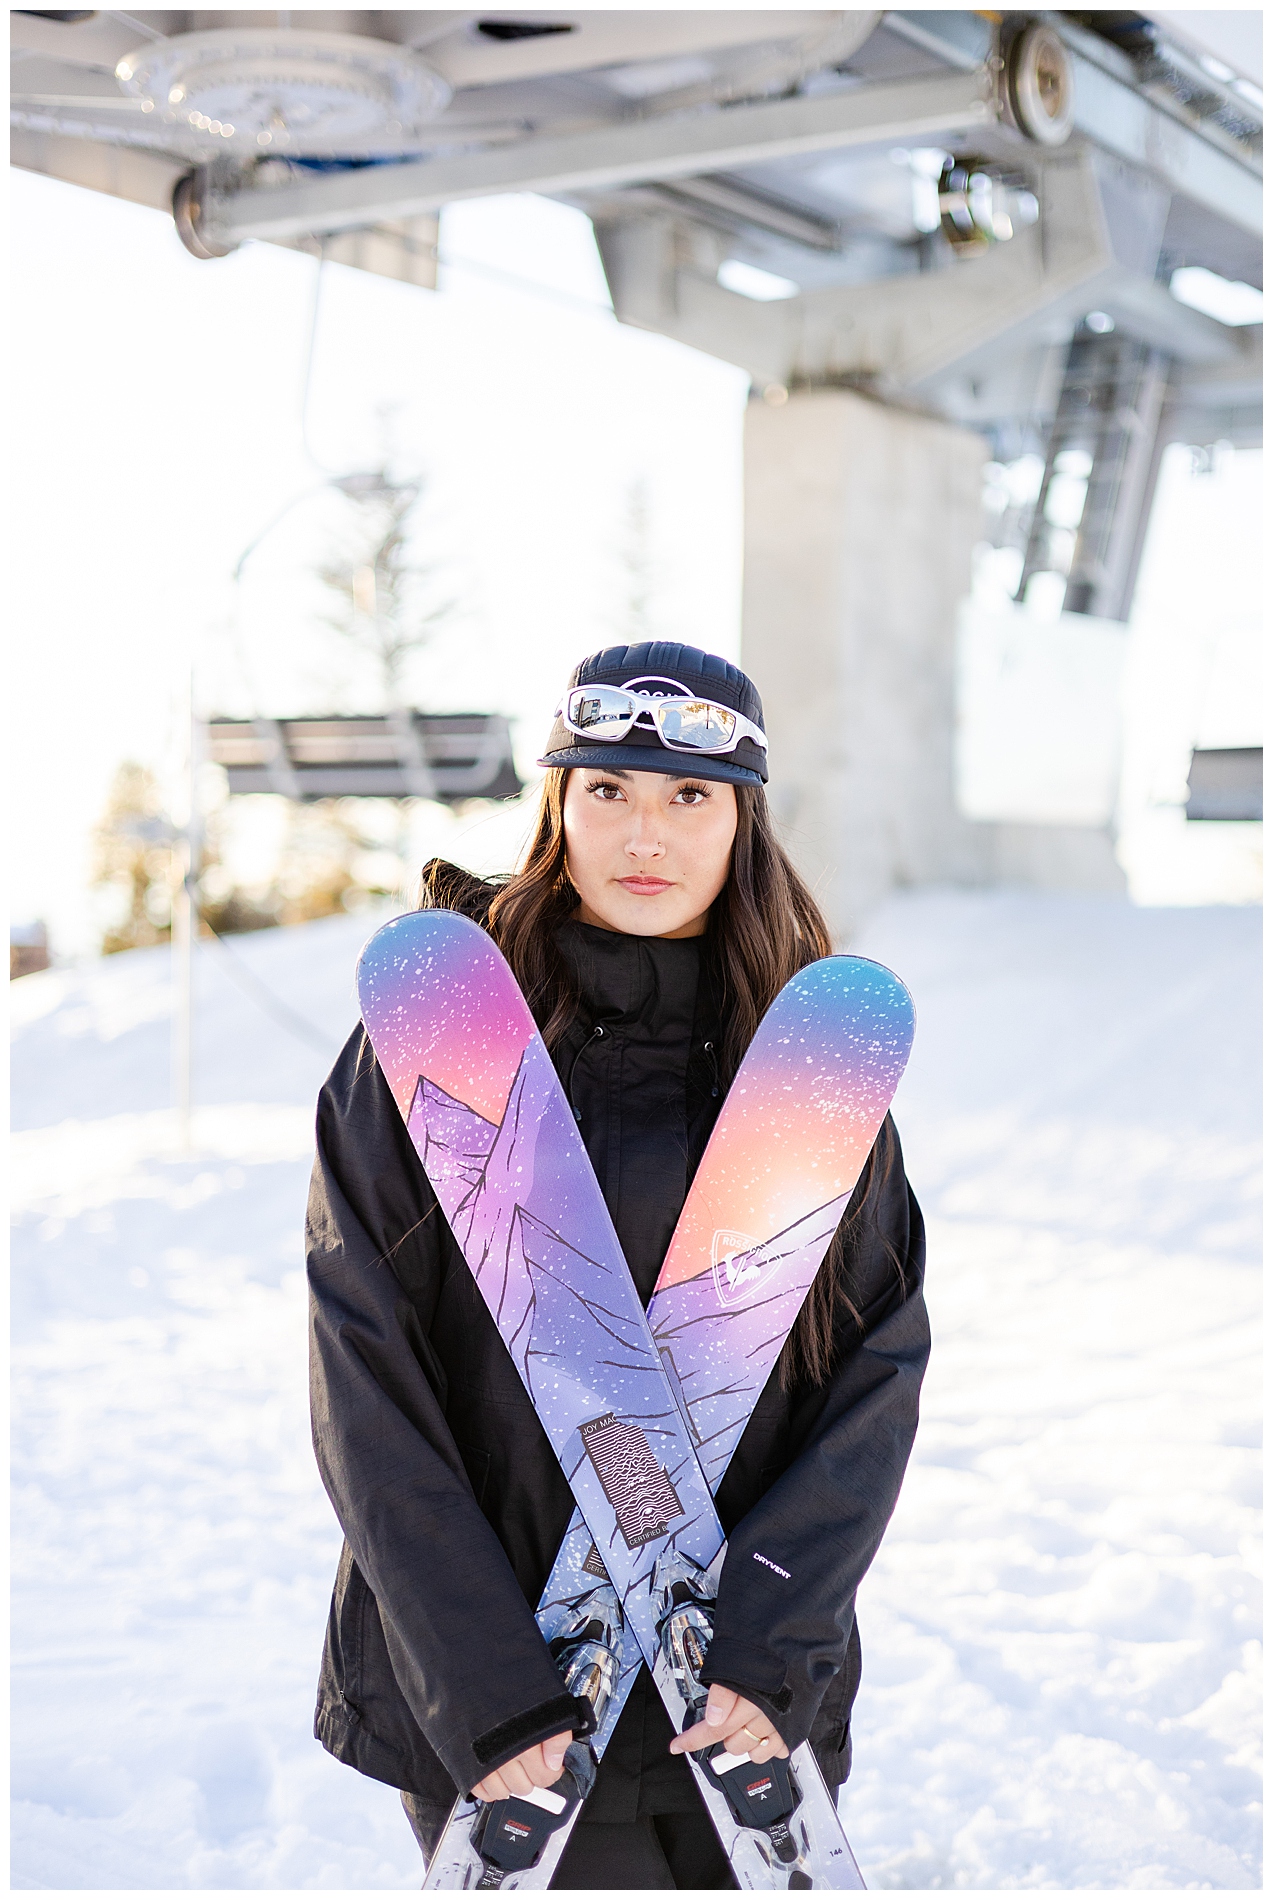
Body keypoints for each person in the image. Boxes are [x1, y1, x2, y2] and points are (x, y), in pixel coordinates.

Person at [306, 640, 929, 1890]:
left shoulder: (807, 1064)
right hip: (500, 1695)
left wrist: (771, 1644)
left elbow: (874, 1374)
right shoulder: (435, 1042)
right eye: (606, 789)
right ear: (557, 804)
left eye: (688, 797)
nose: (644, 831)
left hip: (739, 1695)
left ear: (743, 818)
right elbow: (361, 1371)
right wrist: (478, 1677)